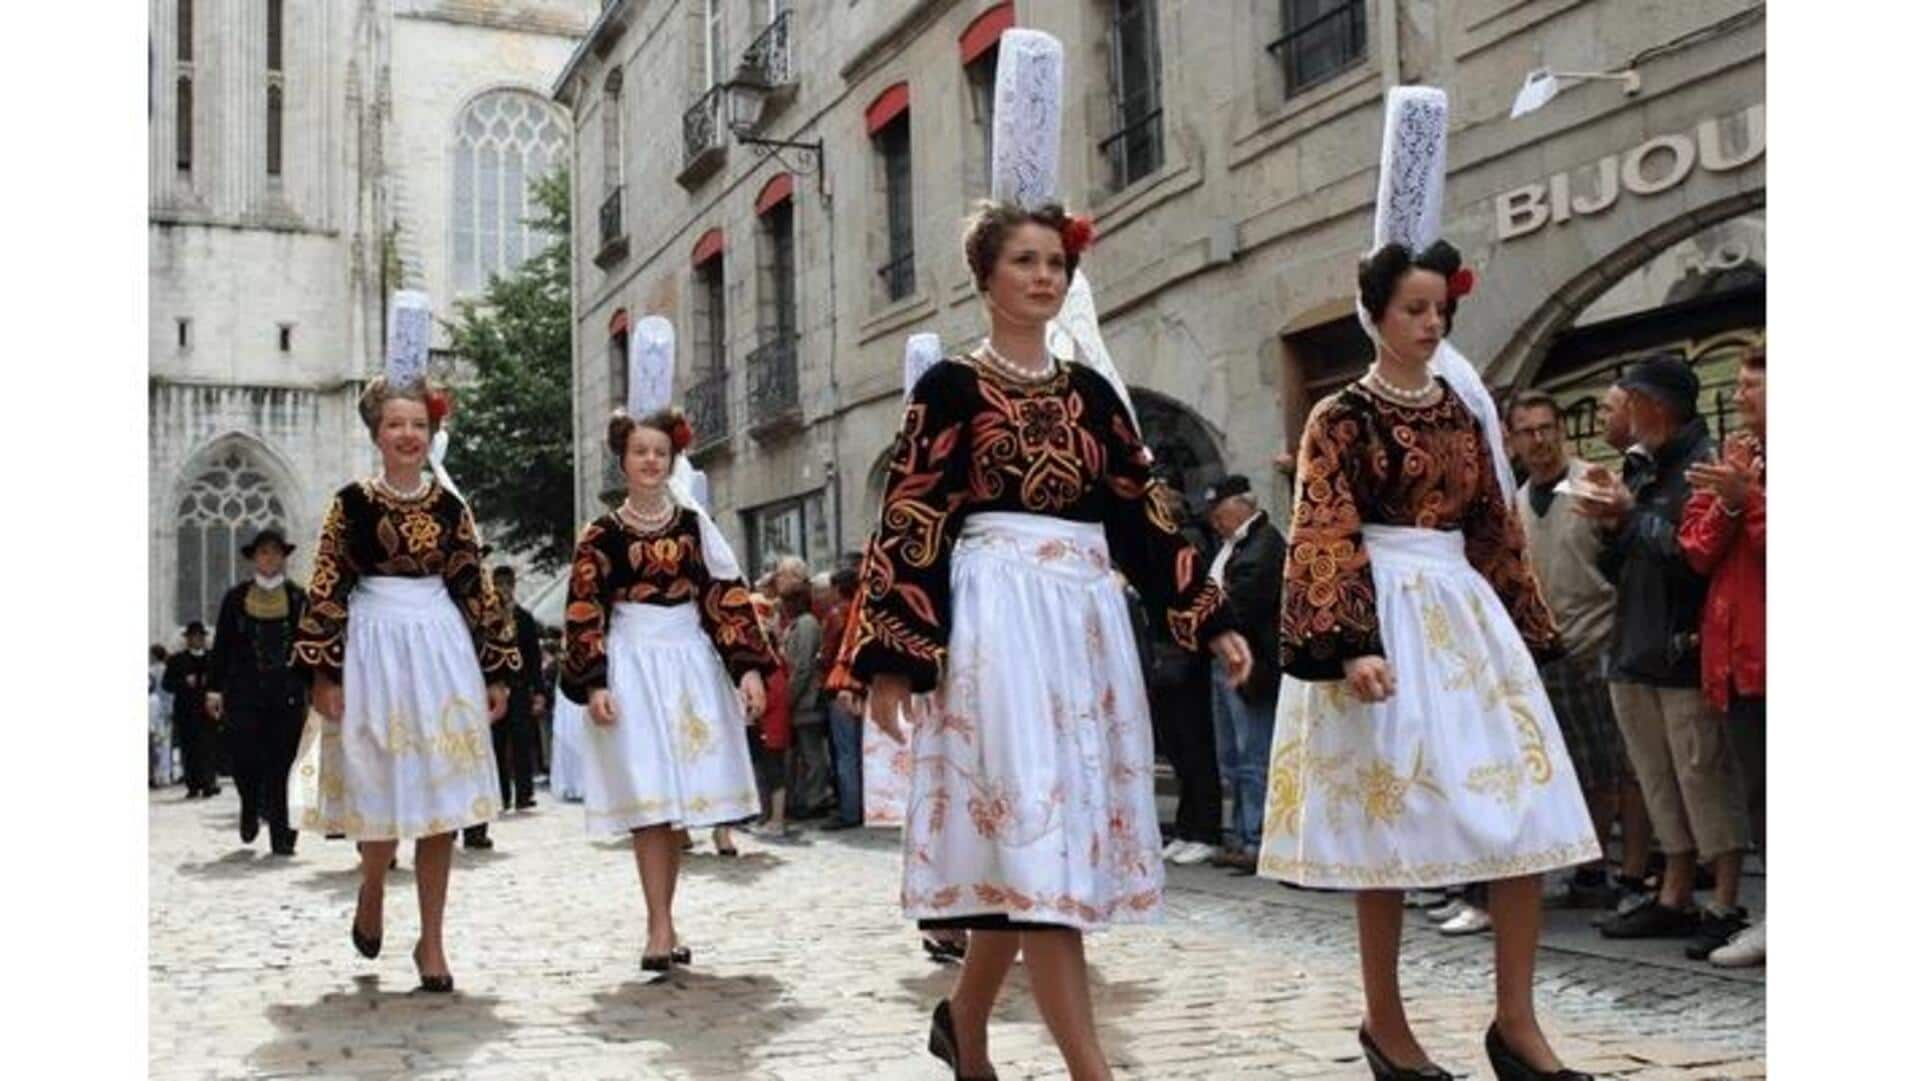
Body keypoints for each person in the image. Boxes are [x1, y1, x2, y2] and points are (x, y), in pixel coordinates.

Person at [834, 198, 1251, 1081]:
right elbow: (912, 517)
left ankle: (964, 1020)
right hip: (997, 626)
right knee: (1034, 843)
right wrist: (894, 659)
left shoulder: (1093, 395)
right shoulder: (949, 387)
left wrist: (1210, 620)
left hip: (1084, 630)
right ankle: (1091, 1070)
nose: (1044, 277)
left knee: (1038, 856)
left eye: (1057, 263)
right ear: (986, 277)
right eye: (1025, 260)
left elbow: (1146, 516)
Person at [1258, 236, 1601, 1077]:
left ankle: (1516, 1022)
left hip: (1464, 620)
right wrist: (1350, 645)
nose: (1429, 322)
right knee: (1391, 831)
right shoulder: (1339, 416)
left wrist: (1525, 626)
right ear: (1374, 315)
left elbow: (1493, 522)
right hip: (1384, 618)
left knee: (1527, 816)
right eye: (1414, 308)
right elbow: (1322, 528)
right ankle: (1386, 1022)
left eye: (1440, 308)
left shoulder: (1459, 411)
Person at [293, 375, 518, 993]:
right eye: (396, 424)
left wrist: (497, 667)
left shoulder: (451, 509)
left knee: (443, 796)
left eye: (418, 424)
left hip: (439, 649)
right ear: (377, 433)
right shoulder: (350, 504)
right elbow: (328, 583)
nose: (408, 435)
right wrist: (325, 670)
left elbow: (476, 587)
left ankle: (433, 941)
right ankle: (371, 889)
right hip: (374, 647)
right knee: (378, 782)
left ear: (431, 432)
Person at [560, 406, 774, 972]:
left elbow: (725, 598)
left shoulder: (693, 526)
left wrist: (747, 668)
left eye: (660, 451)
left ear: (672, 458)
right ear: (623, 461)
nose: (651, 460)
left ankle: (666, 918)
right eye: (640, 452)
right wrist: (595, 682)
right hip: (631, 663)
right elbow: (584, 609)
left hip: (687, 666)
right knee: (649, 800)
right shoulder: (601, 535)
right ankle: (658, 924)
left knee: (674, 804)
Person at [1574, 354, 1749, 961]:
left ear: (1654, 406)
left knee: (1702, 777)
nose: (1622, 413)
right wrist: (1609, 524)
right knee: (1657, 780)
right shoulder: (1644, 467)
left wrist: (1631, 515)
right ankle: (1673, 891)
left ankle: (1724, 899)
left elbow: (1691, 558)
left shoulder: (1706, 467)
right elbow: (1620, 567)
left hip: (1682, 648)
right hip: (1635, 642)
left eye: (1628, 401)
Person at [1508, 393, 1649, 907]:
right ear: (1514, 440)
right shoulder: (1519, 501)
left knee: (1628, 766)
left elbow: (1622, 555)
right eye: (1528, 431)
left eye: (1547, 428)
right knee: (1583, 766)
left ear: (1562, 430)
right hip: (1553, 649)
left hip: (1605, 640)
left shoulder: (1593, 482)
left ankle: (1633, 872)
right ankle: (1591, 868)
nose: (1539, 440)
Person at [1679, 345, 1766, 967]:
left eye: (1752, 386)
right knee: (1762, 793)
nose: (1738, 397)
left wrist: (1750, 498)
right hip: (1737, 659)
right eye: (1736, 385)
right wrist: (1733, 498)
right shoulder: (1737, 457)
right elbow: (1697, 549)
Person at [206, 527, 309, 855]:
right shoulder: (236, 599)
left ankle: (283, 835)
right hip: (244, 693)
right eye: (264, 552)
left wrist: (310, 685)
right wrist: (214, 688)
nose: (270, 558)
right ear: (254, 558)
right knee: (244, 759)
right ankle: (249, 804)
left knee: (284, 764)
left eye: (276, 552)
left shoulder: (297, 597)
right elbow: (221, 646)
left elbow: (307, 645)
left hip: (286, 694)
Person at [1200, 475, 1285, 873]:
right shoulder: (1231, 547)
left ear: (1241, 507)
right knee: (1231, 757)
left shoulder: (1265, 543)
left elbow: (1247, 599)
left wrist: (1209, 616)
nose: (1217, 522)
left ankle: (1255, 838)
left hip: (1251, 660)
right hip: (1226, 657)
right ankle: (1240, 835)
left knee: (1253, 756)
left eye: (1220, 513)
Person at [1140, 482, 1222, 868]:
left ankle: (1204, 830)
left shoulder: (1186, 547)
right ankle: (1188, 827)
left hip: (1185, 660)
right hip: (1165, 658)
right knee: (1179, 751)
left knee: (1195, 748)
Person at [462, 564, 546, 850]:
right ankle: (498, 796)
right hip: (480, 686)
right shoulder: (475, 612)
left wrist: (537, 691)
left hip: (517, 688)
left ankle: (522, 792)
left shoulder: (524, 618)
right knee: (490, 747)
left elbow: (532, 659)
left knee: (520, 742)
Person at [779, 579, 831, 820]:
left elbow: (803, 667)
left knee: (812, 754)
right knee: (802, 754)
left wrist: (789, 697)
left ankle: (816, 798)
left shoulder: (807, 625)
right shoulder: (797, 625)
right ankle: (803, 798)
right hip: (800, 699)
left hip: (807, 700)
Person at [819, 568, 865, 831]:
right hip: (861, 686)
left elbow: (828, 653)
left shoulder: (838, 614)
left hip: (841, 684)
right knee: (857, 751)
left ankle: (849, 809)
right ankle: (861, 805)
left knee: (846, 752)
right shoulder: (862, 612)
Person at [164, 622, 221, 799]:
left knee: (209, 748)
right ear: (187, 639)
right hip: (186, 712)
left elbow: (223, 681)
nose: (197, 640)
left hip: (208, 710)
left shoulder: (214, 659)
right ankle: (193, 784)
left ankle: (209, 782)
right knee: (189, 749)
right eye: (193, 636)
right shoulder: (176, 660)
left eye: (200, 636)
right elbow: (167, 684)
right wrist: (183, 682)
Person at [150, 645, 175, 789]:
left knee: (157, 745)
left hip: (155, 710)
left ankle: (158, 775)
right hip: (168, 710)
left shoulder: (151, 671)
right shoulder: (168, 669)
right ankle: (167, 774)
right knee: (167, 744)